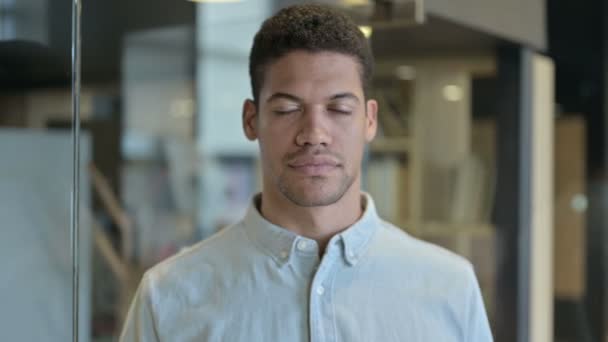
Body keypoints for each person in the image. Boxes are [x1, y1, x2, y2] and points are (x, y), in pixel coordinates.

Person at [119, 3, 493, 341]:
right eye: (287, 109)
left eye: (339, 109)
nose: (314, 134)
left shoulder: (450, 289)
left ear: (370, 120)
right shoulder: (168, 297)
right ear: (252, 120)